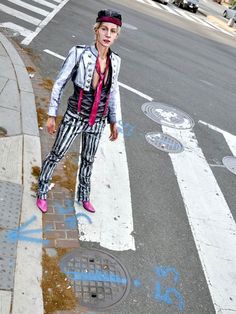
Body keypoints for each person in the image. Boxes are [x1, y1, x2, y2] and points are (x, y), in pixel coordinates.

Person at [36, 9, 122, 214]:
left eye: (113, 31)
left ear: (117, 35)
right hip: (75, 115)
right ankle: (41, 190)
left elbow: (113, 91)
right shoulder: (79, 53)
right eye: (104, 29)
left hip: (98, 120)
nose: (108, 34)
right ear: (96, 31)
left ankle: (84, 195)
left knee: (88, 159)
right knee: (57, 153)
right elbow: (59, 83)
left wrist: (113, 120)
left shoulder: (116, 61)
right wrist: (51, 114)